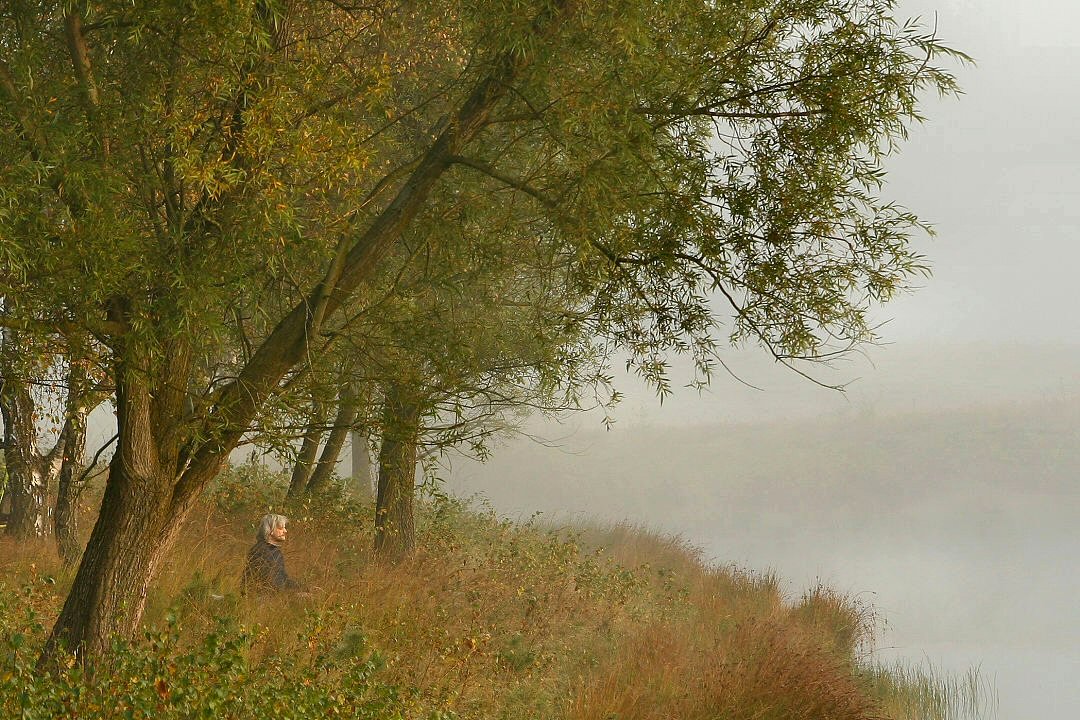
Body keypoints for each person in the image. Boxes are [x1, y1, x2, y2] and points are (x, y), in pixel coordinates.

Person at [242, 513, 300, 593]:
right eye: (280, 528)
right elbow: (267, 584)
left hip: (274, 595)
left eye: (285, 528)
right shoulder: (261, 551)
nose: (285, 531)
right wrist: (292, 594)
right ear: (270, 530)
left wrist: (303, 588)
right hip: (261, 600)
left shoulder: (275, 551)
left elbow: (283, 580)